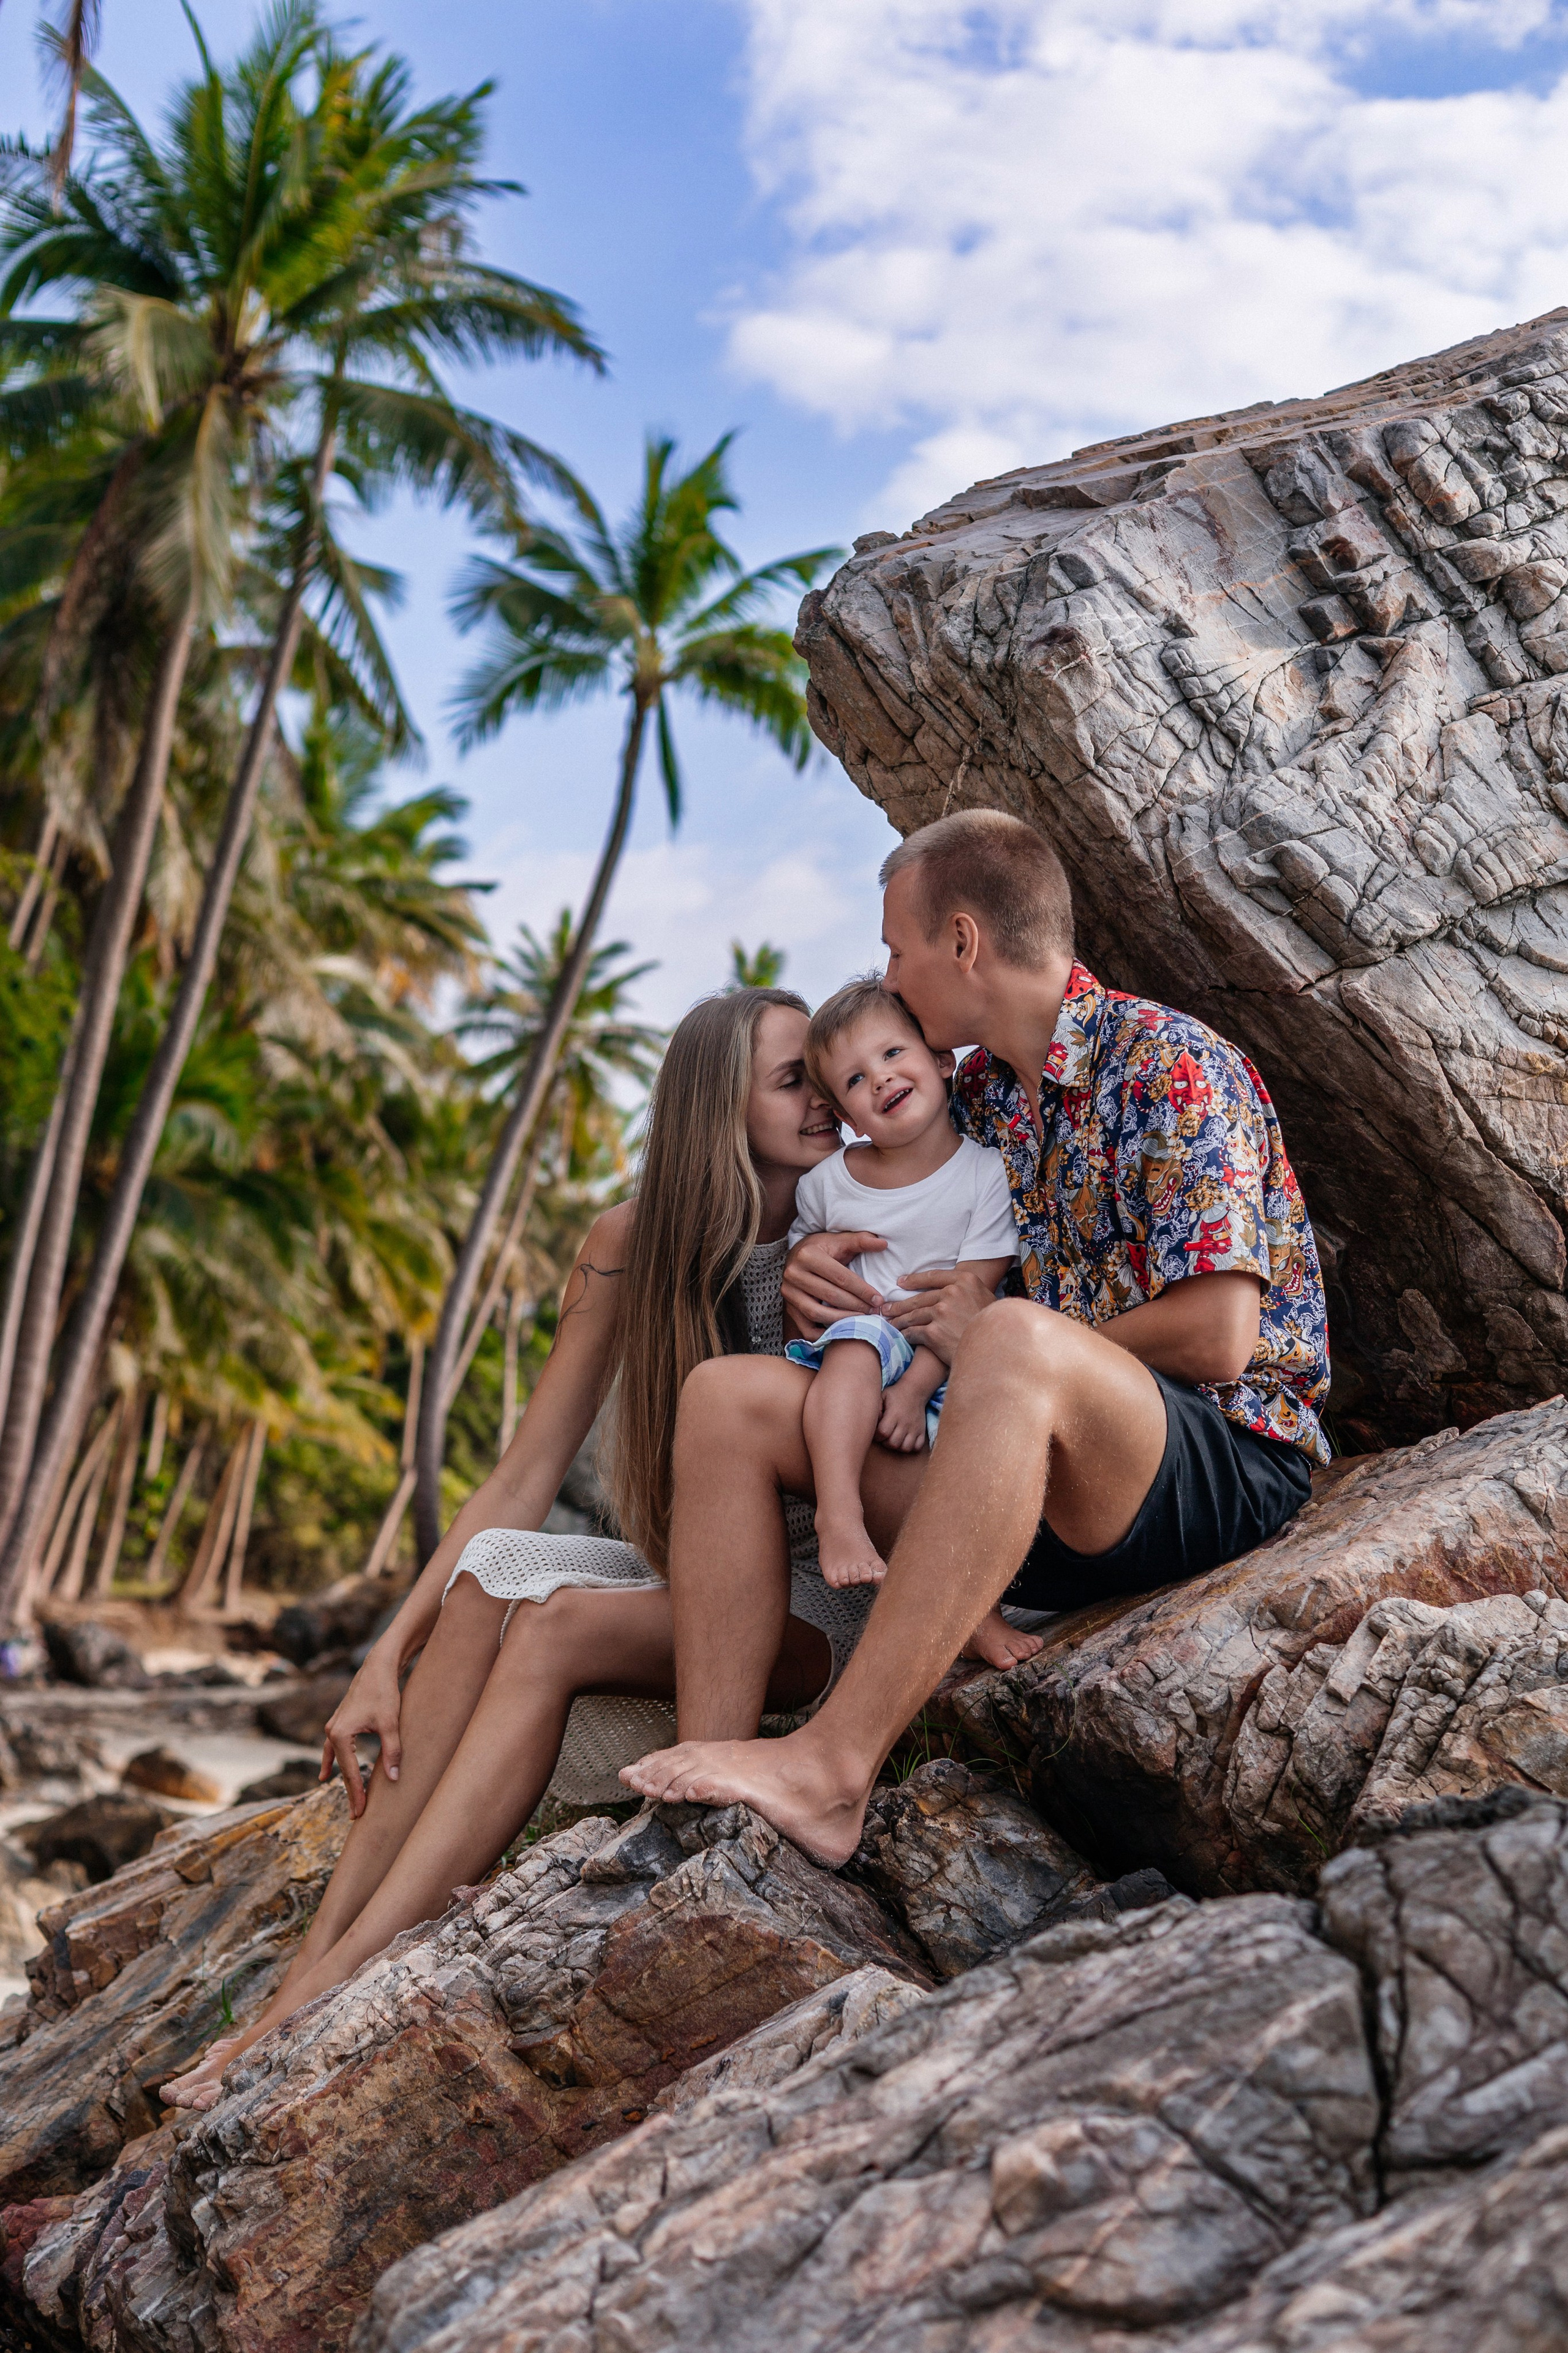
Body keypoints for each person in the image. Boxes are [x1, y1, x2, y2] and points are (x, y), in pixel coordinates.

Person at [159, 986, 860, 2112]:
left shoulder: (851, 1222)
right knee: (496, 1580)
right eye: (794, 1081)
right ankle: (313, 1971)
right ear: (716, 1107)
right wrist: (386, 1654)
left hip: (826, 1600)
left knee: (560, 1618)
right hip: (702, 1586)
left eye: (823, 1079)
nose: (827, 1099)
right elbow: (523, 1479)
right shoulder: (634, 1245)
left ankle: (334, 1985)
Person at [622, 808, 1330, 1864]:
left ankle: (834, 1768)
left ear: (961, 941)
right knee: (729, 1396)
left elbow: (1224, 1336)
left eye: (896, 949)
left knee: (1013, 1339)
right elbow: (895, 1203)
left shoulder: (1168, 1064)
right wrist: (821, 1261)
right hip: (1020, 1487)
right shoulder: (982, 1099)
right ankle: (711, 1792)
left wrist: (1008, 1333)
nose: (890, 976)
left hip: (1214, 1461)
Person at [783, 976, 1028, 1674]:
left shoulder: (984, 1173)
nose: (882, 1078)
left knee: (953, 1477)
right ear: (847, 1115)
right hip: (860, 1347)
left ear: (942, 1059)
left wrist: (919, 1386)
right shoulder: (828, 1183)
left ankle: (976, 1611)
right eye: (857, 1079)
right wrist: (807, 1265)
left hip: (949, 1362)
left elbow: (976, 1293)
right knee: (856, 1346)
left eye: (893, 1053)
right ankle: (838, 1515)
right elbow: (809, 1278)